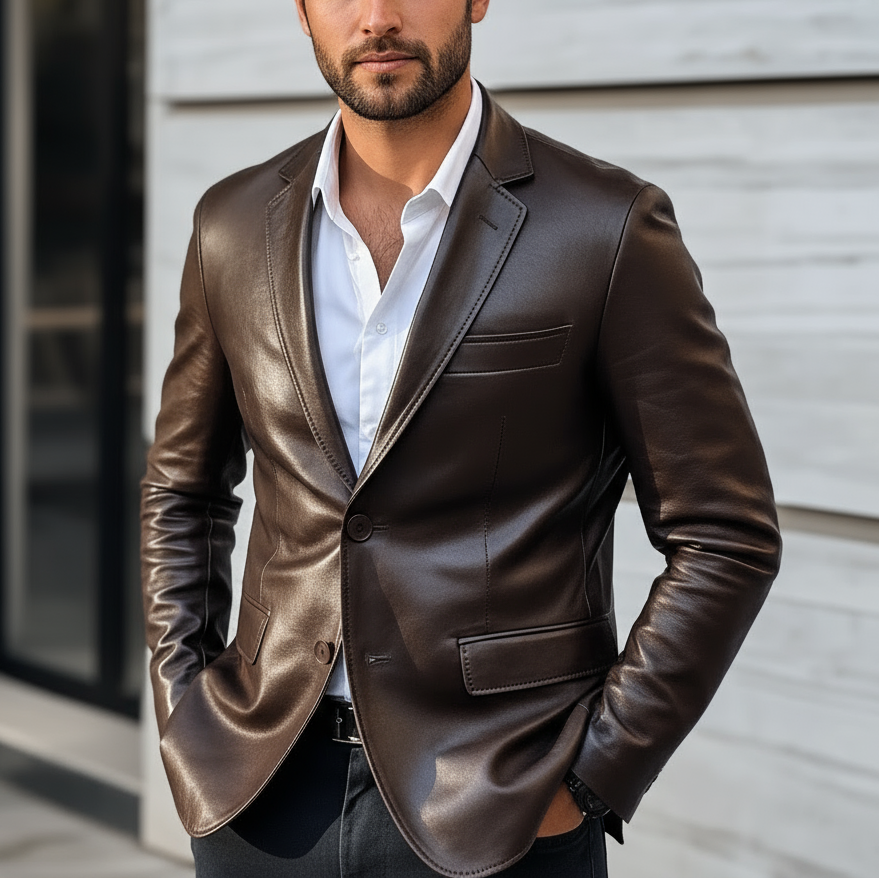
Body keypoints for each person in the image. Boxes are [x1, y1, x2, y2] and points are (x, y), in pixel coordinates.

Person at [141, 1, 782, 876]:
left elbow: (725, 534)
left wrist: (595, 774)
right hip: (255, 788)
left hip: (502, 807)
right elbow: (183, 489)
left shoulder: (605, 226)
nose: (376, 17)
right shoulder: (231, 222)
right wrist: (185, 706)